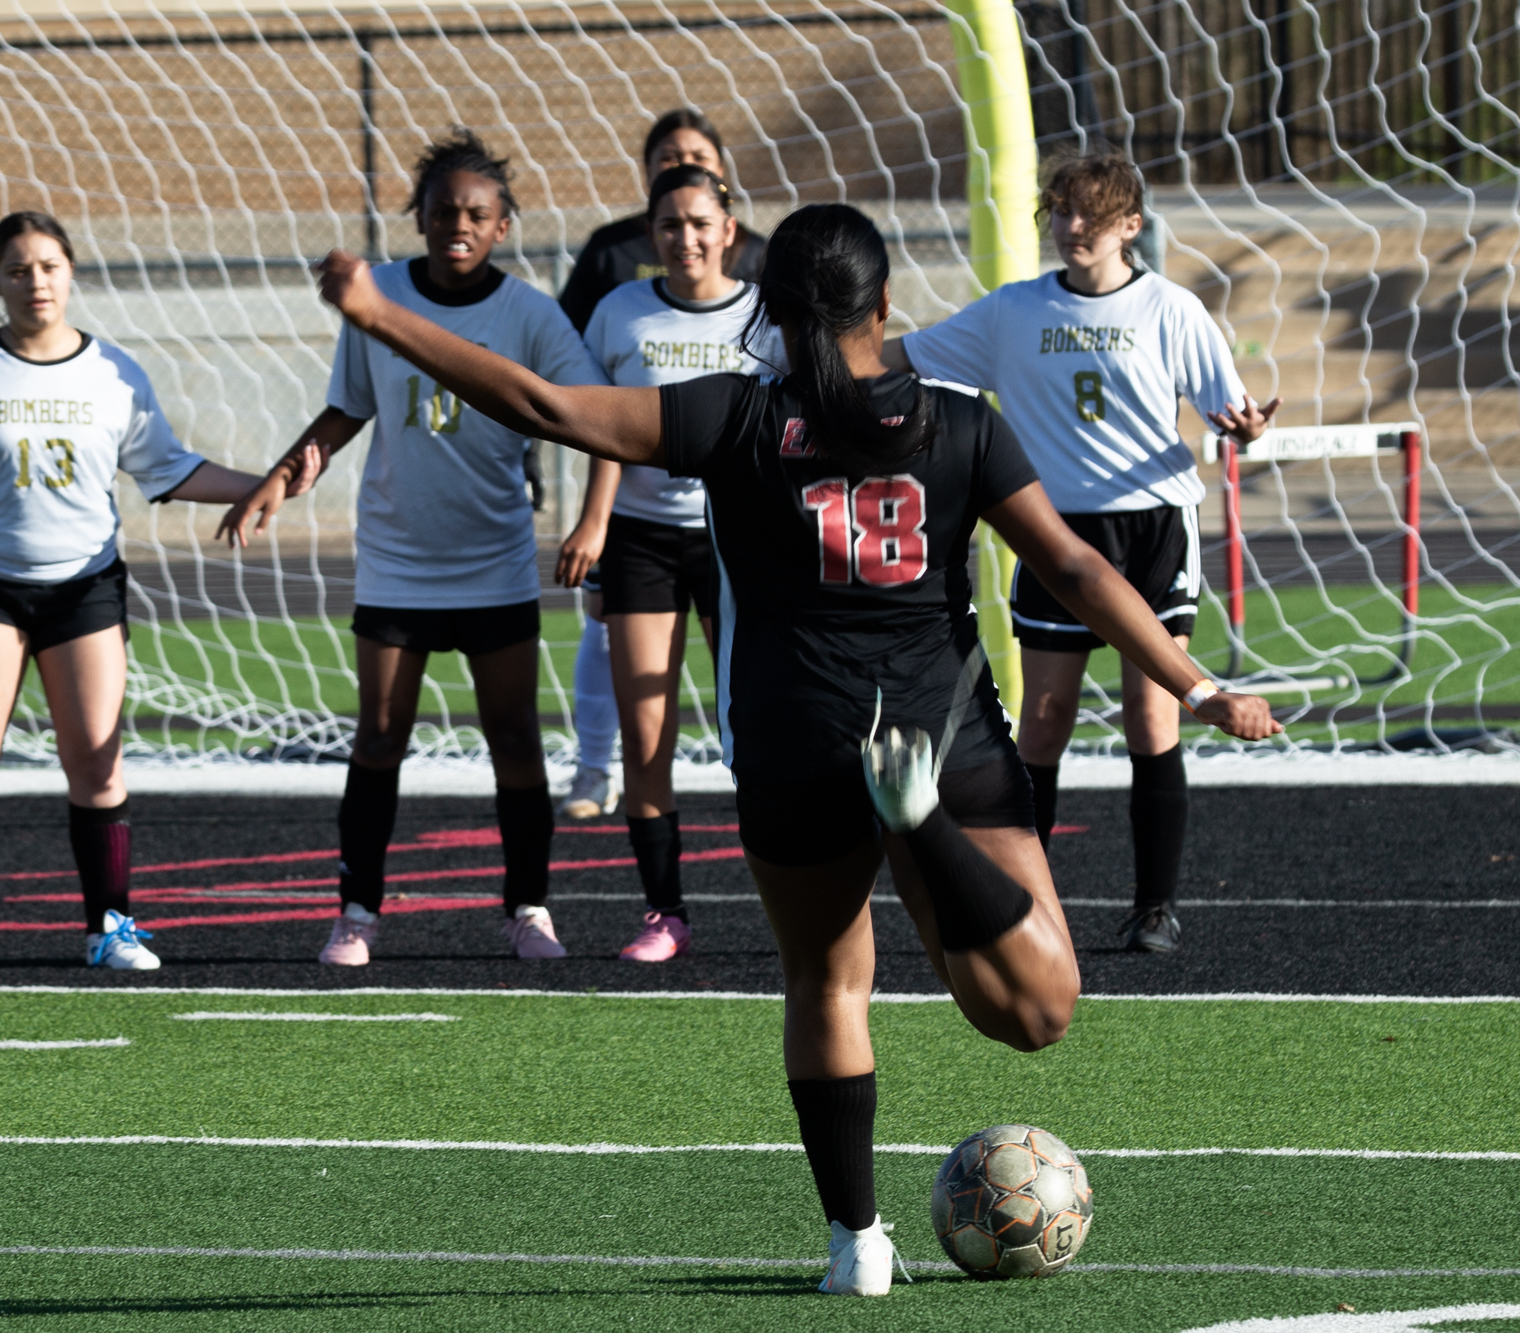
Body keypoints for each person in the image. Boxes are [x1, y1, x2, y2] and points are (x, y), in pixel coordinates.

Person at [307, 202, 1279, 1294]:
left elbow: (541, 404)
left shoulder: (733, 416)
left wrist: (379, 314)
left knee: (825, 982)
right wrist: (1190, 682)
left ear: (768, 308)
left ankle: (853, 1244)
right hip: (937, 732)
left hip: (794, 739)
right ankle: (923, 831)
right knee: (1033, 1011)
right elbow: (1075, 569)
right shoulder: (958, 421)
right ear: (883, 304)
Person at [218, 130, 606, 967]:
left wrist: (596, 518)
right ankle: (357, 913)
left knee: (514, 738)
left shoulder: (530, 315)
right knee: (380, 735)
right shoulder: (377, 300)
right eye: (440, 212)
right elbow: (346, 412)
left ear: (502, 225)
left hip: (494, 560)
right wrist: (276, 480)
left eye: (475, 213)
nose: (456, 226)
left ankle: (528, 908)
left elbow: (593, 413)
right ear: (418, 219)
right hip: (398, 561)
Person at [882, 152, 1280, 954]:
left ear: (1131, 225)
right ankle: (1026, 902)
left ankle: (1155, 907)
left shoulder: (1172, 309)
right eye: (1059, 211)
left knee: (1149, 713)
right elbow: (906, 356)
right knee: (1046, 718)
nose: (1071, 228)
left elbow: (1229, 409)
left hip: (1153, 530)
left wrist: (1244, 426)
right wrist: (816, 357)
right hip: (1056, 536)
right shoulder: (1011, 313)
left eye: (1090, 215)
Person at [0, 210, 277, 977]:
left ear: (72, 274)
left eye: (49, 266)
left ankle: (111, 927)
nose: (35, 282)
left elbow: (169, 468)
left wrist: (260, 483)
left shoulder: (113, 372)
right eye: (18, 269)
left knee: (97, 761)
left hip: (84, 586)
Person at [557, 164, 781, 962]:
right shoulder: (620, 312)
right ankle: (664, 914)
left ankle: (795, 904)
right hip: (643, 538)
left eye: (698, 223)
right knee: (645, 736)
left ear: (729, 231)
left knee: (754, 728)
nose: (684, 238)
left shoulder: (765, 314)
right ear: (650, 236)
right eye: (668, 226)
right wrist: (591, 519)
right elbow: (605, 427)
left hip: (737, 538)